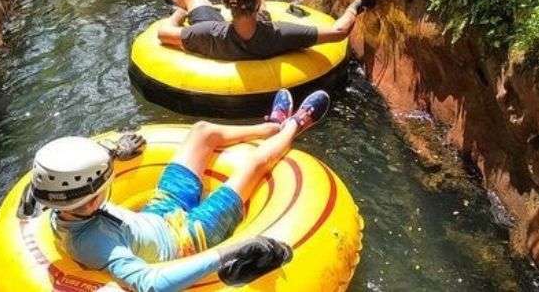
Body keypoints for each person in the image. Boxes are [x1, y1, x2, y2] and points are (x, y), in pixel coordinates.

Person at [30, 89, 330, 292]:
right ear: (96, 193)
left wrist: (112, 152)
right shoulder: (94, 242)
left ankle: (271, 127)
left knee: (201, 132)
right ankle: (294, 124)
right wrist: (226, 254)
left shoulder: (57, 202)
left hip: (158, 213)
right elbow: (149, 284)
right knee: (254, 163)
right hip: (189, 238)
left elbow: (44, 190)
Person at [154, 0, 376, 60]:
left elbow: (163, 33)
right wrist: (357, 4)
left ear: (223, 0)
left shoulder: (204, 33)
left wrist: (178, 15)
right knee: (261, 13)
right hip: (253, 29)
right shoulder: (279, 34)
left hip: (221, 35)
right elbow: (339, 31)